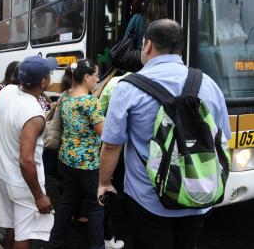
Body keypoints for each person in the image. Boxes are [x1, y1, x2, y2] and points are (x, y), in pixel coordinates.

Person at [98, 19, 231, 249]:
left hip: (149, 201)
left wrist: (104, 182)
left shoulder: (127, 88)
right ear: (179, 47)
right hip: (200, 197)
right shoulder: (209, 84)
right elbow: (222, 138)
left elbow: (112, 145)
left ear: (147, 45)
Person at [0, 56, 56, 249]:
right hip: (23, 184)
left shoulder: (7, 91)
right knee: (25, 234)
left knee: (13, 227)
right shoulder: (33, 114)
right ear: (43, 81)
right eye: (49, 74)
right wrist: (39, 195)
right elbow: (26, 160)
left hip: (4, 176)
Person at [49, 59, 105, 249]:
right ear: (87, 77)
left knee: (67, 200)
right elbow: (103, 133)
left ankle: (56, 241)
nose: (98, 79)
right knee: (95, 206)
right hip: (87, 163)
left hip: (66, 158)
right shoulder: (90, 102)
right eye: (96, 75)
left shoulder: (66, 96)